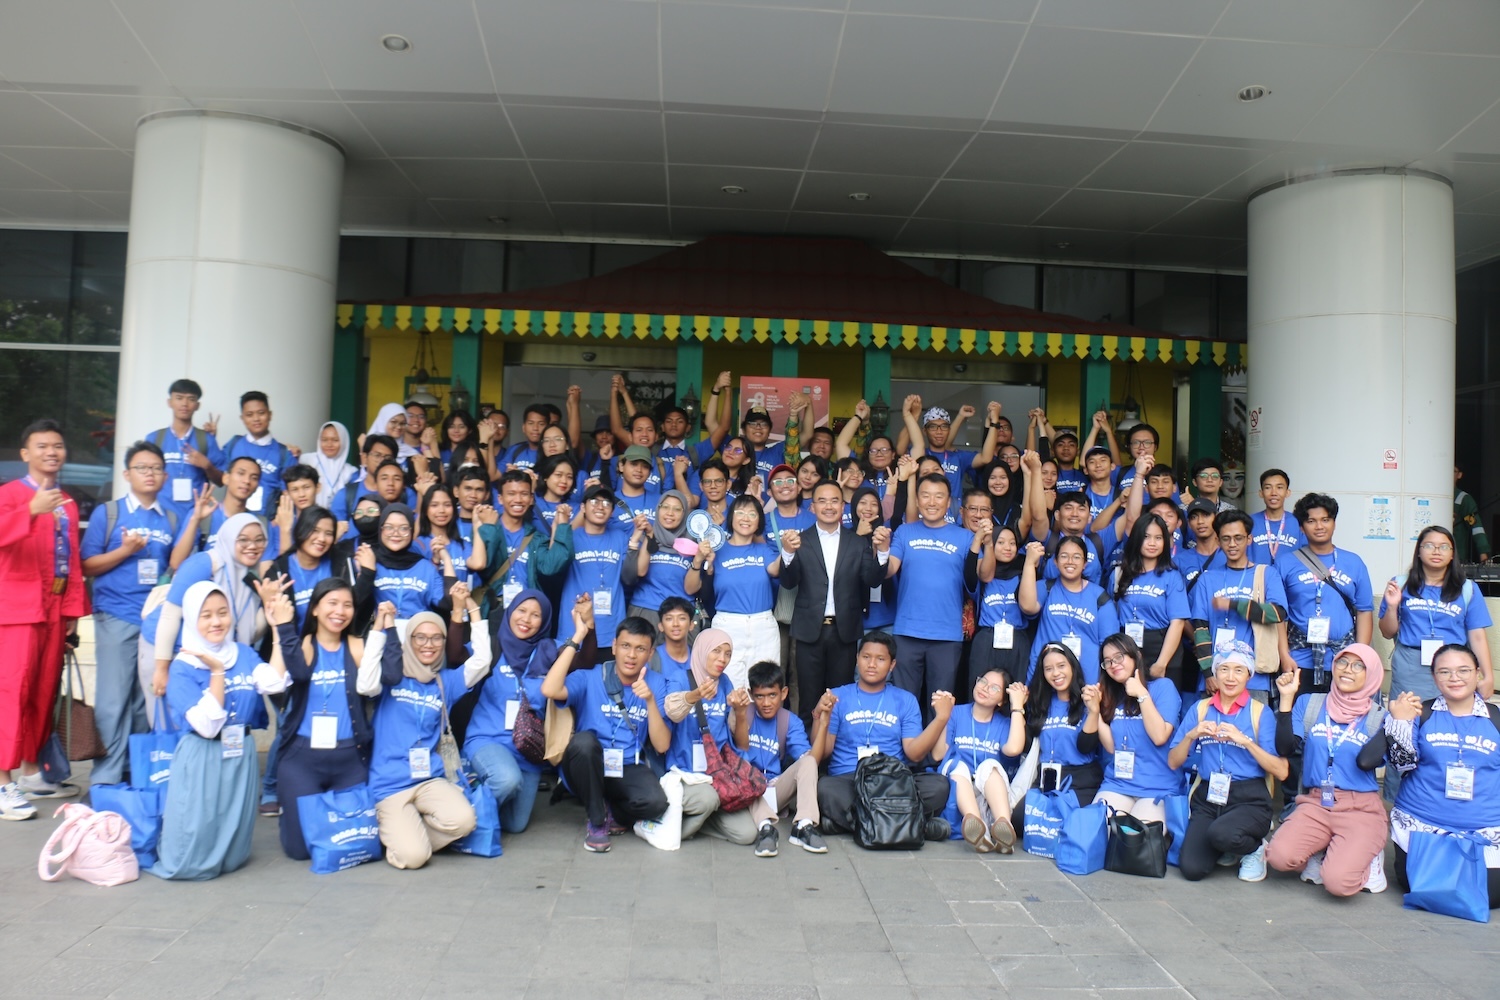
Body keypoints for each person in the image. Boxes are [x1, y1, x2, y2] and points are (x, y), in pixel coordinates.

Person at [79, 441, 196, 788]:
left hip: (155, 620)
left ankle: (137, 771)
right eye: (143, 468)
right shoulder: (109, 513)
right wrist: (124, 550)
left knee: (146, 700)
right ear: (127, 474)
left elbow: (175, 565)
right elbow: (88, 565)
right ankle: (106, 779)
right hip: (115, 614)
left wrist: (196, 520)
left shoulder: (172, 516)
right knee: (114, 700)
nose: (150, 474)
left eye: (157, 468)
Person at [148, 581, 283, 879]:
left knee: (233, 817)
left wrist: (277, 629)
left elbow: (274, 682)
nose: (216, 621)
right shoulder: (183, 667)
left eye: (223, 613)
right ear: (193, 619)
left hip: (240, 749)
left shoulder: (243, 653)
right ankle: (190, 861)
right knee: (197, 822)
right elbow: (207, 726)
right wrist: (218, 672)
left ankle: (227, 858)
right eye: (206, 615)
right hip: (203, 752)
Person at [359, 595, 489, 869]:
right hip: (390, 783)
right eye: (420, 637)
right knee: (415, 858)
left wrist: (473, 609)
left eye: (436, 638)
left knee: (465, 821)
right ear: (409, 640)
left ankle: (404, 834)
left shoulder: (445, 682)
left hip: (429, 779)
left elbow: (482, 662)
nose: (428, 645)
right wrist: (378, 629)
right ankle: (404, 839)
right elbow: (366, 682)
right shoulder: (391, 676)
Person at [0, 420, 89, 815]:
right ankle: (2, 783)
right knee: (11, 693)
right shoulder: (10, 495)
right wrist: (30, 512)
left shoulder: (67, 502)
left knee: (41, 695)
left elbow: (70, 561)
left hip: (53, 611)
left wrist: (71, 612)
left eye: (58, 445)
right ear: (25, 454)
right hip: (17, 609)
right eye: (42, 446)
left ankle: (33, 774)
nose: (51, 452)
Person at [264, 578, 375, 861]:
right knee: (300, 851)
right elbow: (292, 676)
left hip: (350, 759)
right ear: (314, 609)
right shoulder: (301, 645)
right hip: (302, 759)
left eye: (347, 605)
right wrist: (281, 625)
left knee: (353, 842)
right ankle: (291, 814)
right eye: (332, 603)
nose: (340, 611)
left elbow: (380, 684)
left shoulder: (356, 646)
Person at [1266, 644, 1389, 896]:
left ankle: (1370, 856)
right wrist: (1286, 701)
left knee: (1339, 883)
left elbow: (1366, 762)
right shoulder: (1310, 704)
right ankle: (1325, 847)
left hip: (1359, 808)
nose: (1347, 670)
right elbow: (1285, 748)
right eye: (1343, 663)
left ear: (1372, 674)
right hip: (1316, 803)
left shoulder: (1380, 716)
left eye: (1359, 666)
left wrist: (1394, 723)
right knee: (1279, 857)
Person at [540, 616, 671, 853]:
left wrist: (650, 700)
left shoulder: (658, 683)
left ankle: (606, 806)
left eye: (640, 649)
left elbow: (661, 746)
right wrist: (578, 636)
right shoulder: (591, 676)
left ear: (650, 653)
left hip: (627, 765)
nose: (631, 655)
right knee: (584, 743)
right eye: (625, 646)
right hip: (586, 764)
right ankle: (597, 821)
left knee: (656, 804)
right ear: (613, 647)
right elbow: (549, 689)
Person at [464, 590, 591, 834]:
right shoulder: (492, 646)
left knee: (516, 824)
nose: (526, 619)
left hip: (528, 749)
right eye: (521, 610)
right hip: (488, 739)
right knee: (506, 781)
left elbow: (583, 662)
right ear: (510, 612)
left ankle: (480, 792)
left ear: (543, 622)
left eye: (536, 615)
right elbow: (457, 656)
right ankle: (462, 822)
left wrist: (582, 632)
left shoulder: (549, 650)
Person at [1385, 644, 1500, 910]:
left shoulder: (1495, 719)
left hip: (1484, 831)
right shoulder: (1419, 712)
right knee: (1425, 887)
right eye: (1444, 671)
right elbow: (1401, 766)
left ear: (1478, 674)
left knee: (1491, 896)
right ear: (1434, 677)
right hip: (1424, 827)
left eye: (1463, 670)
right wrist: (1400, 722)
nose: (1454, 678)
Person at [811, 632, 953, 840]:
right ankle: (915, 825)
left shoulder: (905, 700)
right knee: (824, 788)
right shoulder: (838, 696)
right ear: (857, 659)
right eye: (866, 657)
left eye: (880, 659)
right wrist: (819, 717)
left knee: (939, 785)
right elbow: (822, 752)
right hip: (849, 778)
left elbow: (914, 754)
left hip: (893, 781)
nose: (871, 664)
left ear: (892, 665)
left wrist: (941, 718)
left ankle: (852, 823)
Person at [1167, 641, 1289, 882]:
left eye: (1239, 670)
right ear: (1215, 673)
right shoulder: (1200, 709)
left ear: (1249, 675)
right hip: (1209, 794)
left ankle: (1253, 847)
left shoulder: (1259, 712)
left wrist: (1246, 742)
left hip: (1249, 797)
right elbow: (1173, 761)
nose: (1230, 677)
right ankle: (1222, 843)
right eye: (1224, 669)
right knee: (1191, 868)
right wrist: (1192, 735)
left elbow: (1282, 771)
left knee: (1221, 833)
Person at [780, 480, 888, 730]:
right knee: (809, 700)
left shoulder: (857, 541)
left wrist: (881, 552)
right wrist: (787, 553)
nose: (829, 506)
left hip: (844, 632)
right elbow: (788, 582)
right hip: (809, 632)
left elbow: (871, 580)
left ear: (843, 506)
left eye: (834, 501)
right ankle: (808, 759)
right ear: (812, 506)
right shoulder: (800, 540)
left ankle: (837, 761)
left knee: (840, 700)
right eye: (822, 501)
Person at [146, 514, 269, 727]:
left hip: (210, 657)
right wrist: (162, 668)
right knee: (173, 725)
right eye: (244, 539)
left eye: (259, 539)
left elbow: (247, 631)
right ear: (230, 539)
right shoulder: (204, 564)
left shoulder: (250, 576)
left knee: (209, 723)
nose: (253, 546)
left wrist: (268, 605)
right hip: (169, 649)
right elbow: (170, 615)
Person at [880, 474, 977, 713]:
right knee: (905, 703)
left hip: (947, 635)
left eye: (938, 496)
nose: (931, 502)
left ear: (949, 502)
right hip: (907, 631)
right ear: (917, 499)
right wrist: (881, 551)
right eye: (925, 495)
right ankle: (903, 751)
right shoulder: (904, 531)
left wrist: (988, 542)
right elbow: (890, 569)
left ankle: (936, 752)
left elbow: (980, 577)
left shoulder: (966, 537)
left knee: (940, 707)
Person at [1379, 526, 1494, 711]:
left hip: (1453, 667)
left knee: (1449, 722)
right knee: (1407, 719)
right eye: (1429, 546)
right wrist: (1392, 606)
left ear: (1452, 554)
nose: (1436, 551)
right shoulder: (1401, 584)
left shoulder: (1468, 589)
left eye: (1444, 547)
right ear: (1418, 552)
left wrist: (1488, 676)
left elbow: (1477, 636)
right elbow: (1386, 632)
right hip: (1411, 665)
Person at [1274, 493, 1373, 696]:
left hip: (1344, 661)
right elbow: (1279, 616)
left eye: (1325, 520)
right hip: (1299, 658)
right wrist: (1284, 655)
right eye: (1311, 521)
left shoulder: (1354, 562)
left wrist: (1360, 657)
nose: (1319, 526)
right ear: (1302, 527)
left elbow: (1364, 612)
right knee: (1299, 722)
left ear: (1334, 523)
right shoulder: (1285, 563)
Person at [661, 629, 753, 847]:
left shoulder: (726, 683)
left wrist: (740, 711)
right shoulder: (680, 678)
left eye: (728, 654)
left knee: (747, 834)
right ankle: (672, 831)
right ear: (702, 651)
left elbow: (742, 743)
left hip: (717, 775)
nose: (722, 659)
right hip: (685, 775)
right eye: (716, 651)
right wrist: (696, 695)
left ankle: (701, 820)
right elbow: (673, 711)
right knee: (708, 798)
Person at [1188, 510, 1287, 699]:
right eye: (1226, 539)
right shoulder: (1207, 579)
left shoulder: (1267, 574)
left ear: (1249, 539)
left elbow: (1277, 613)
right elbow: (1201, 631)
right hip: (1217, 676)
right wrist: (1208, 674)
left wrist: (1233, 605)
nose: (1232, 544)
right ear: (1218, 541)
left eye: (1238, 538)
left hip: (1254, 677)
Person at [732, 660, 827, 855]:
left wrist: (823, 722)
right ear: (751, 695)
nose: (766, 703)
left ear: (783, 693)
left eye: (772, 695)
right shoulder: (742, 713)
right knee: (744, 769)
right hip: (747, 789)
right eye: (759, 696)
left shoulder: (789, 721)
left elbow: (811, 761)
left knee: (808, 761)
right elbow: (737, 753)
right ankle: (766, 829)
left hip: (775, 789)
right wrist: (740, 715)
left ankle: (804, 825)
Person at [689, 494, 783, 690]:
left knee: (765, 687)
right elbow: (701, 587)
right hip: (728, 625)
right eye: (740, 512)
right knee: (728, 686)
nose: (745, 518)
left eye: (752, 514)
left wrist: (788, 551)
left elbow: (775, 569)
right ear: (731, 517)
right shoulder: (717, 549)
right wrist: (709, 564)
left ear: (759, 521)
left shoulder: (764, 550)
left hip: (762, 625)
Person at [1094, 634, 1183, 826]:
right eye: (1107, 661)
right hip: (1118, 784)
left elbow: (1160, 736)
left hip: (1157, 787)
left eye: (1119, 657)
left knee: (1137, 842)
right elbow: (1111, 747)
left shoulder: (1162, 687)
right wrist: (1096, 712)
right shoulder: (1112, 696)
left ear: (1136, 657)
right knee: (1098, 831)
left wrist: (1142, 694)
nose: (1113, 664)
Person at [1012, 643, 1101, 832]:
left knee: (1070, 824)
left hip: (1079, 780)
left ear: (1072, 667)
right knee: (1019, 821)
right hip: (1046, 778)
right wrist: (1018, 706)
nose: (1056, 673)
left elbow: (1086, 746)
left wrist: (1093, 712)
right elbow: (1026, 744)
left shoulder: (1087, 700)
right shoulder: (1041, 703)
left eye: (1061, 666)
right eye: (1048, 669)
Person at [937, 669, 1027, 852]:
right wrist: (942, 716)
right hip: (958, 785)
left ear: (1002, 699)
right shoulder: (956, 713)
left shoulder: (1004, 723)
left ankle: (1003, 825)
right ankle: (975, 823)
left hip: (989, 791)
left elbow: (1014, 749)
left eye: (994, 688)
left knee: (990, 766)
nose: (985, 688)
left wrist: (1017, 707)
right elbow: (939, 754)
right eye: (983, 681)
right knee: (958, 765)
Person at [1018, 537, 1119, 683]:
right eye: (1064, 556)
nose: (1070, 561)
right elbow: (1027, 607)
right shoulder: (1046, 588)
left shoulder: (1100, 598)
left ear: (1085, 564)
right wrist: (1029, 563)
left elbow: (1110, 646)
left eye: (1077, 557)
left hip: (1085, 680)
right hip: (1046, 677)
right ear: (1055, 562)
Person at [474, 470, 572, 619]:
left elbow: (551, 567)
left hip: (527, 611)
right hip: (496, 609)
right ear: (500, 498)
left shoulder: (535, 537)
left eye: (524, 494)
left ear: (532, 499)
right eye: (511, 494)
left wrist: (562, 526)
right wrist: (489, 529)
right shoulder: (487, 528)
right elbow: (485, 566)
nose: (518, 499)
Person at [1112, 513, 1191, 692]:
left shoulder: (1172, 576)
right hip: (1127, 648)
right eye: (1146, 537)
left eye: (1158, 538)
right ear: (1136, 539)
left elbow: (1177, 623)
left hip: (1162, 647)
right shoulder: (1119, 574)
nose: (1152, 543)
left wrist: (1161, 663)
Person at [564, 484, 638, 646]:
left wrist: (636, 540)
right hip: (574, 626)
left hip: (611, 629)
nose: (600, 507)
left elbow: (631, 576)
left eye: (606, 503)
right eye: (594, 501)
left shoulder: (620, 538)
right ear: (583, 507)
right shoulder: (570, 537)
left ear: (612, 511)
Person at [362, 504, 456, 626]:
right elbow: (358, 603)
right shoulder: (371, 562)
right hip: (382, 635)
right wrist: (366, 572)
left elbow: (449, 603)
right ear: (381, 530)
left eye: (404, 528)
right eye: (389, 527)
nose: (396, 533)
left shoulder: (424, 567)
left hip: (419, 638)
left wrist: (446, 558)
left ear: (412, 531)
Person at [148, 378, 225, 521]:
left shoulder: (206, 440)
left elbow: (222, 481)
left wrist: (207, 466)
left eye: (191, 399)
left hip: (194, 516)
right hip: (159, 515)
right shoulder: (154, 439)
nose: (184, 404)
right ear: (169, 402)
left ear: (197, 405)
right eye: (179, 398)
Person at [970, 525, 1033, 691]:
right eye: (1001, 542)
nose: (1008, 547)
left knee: (1015, 692)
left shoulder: (1024, 574)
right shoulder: (982, 577)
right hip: (986, 639)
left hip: (1017, 639)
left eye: (1012, 543)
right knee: (979, 688)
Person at [221, 391, 299, 515]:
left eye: (261, 413)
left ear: (270, 415)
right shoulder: (233, 445)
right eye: (249, 414)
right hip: (232, 519)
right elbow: (218, 476)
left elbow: (290, 494)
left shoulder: (285, 454)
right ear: (242, 418)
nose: (256, 419)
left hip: (266, 524)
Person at [623, 490, 693, 623]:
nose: (670, 513)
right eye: (665, 507)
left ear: (684, 514)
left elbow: (693, 587)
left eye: (677, 509)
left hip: (680, 614)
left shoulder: (692, 543)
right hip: (645, 610)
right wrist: (650, 535)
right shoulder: (646, 537)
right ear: (657, 509)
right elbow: (641, 571)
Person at [1249, 469, 1304, 564]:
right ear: (1261, 493)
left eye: (1279, 487)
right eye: (1267, 488)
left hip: (1289, 578)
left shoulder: (1297, 522)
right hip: (1257, 577)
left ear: (1287, 492)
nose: (1273, 493)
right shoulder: (1249, 522)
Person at [304, 421, 358, 510]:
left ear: (344, 441)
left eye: (335, 440)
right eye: (324, 440)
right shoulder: (307, 461)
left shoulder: (351, 471)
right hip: (311, 516)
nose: (329, 444)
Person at [1454, 465, 1491, 564]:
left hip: (1456, 557)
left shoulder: (1463, 499)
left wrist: (1483, 552)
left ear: (1459, 475)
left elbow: (1476, 526)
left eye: (1453, 471)